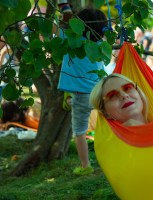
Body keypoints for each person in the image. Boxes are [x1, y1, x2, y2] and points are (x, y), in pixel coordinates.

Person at [56, 1, 108, 175]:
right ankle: (114, 156)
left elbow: (64, 22)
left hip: (80, 96)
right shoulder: (101, 45)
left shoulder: (71, 39)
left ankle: (85, 166)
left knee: (79, 132)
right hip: (101, 92)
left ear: (79, 26)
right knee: (111, 125)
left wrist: (63, 5)